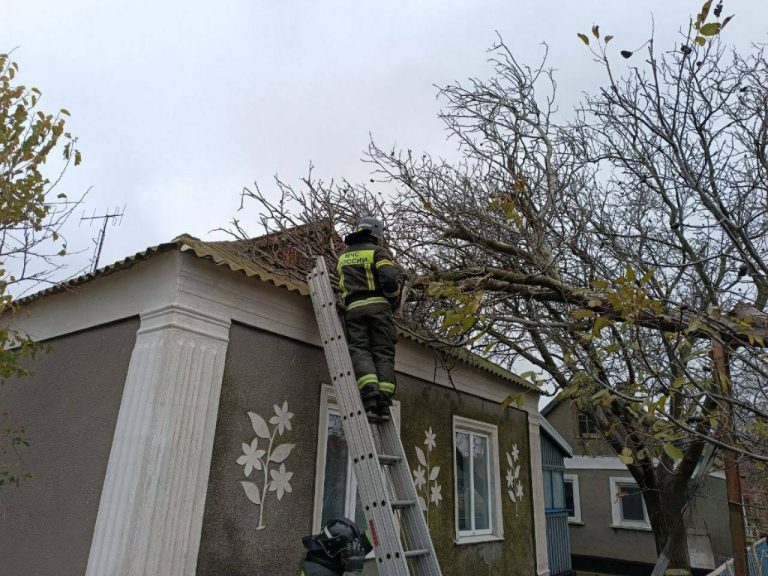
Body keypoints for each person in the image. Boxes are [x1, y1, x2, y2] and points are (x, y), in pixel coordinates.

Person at [336, 216, 402, 416]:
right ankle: (383, 399)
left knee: (360, 349)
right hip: (378, 308)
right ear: (375, 233)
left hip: (353, 309)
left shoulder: (343, 256)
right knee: (382, 351)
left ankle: (369, 394)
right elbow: (390, 279)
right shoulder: (378, 252)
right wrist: (392, 298)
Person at [299, 517, 373, 575]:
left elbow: (361, 546)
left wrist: (374, 531)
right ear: (335, 550)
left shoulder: (327, 560)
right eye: (346, 553)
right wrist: (353, 573)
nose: (349, 557)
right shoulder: (316, 572)